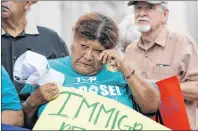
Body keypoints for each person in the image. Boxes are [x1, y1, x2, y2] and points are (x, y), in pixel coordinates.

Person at [19, 12, 160, 128]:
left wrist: (124, 67)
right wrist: (34, 100)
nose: (87, 57)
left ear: (109, 51)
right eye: (83, 46)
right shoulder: (46, 69)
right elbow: (17, 121)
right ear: (73, 42)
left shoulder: (122, 73)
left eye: (97, 51)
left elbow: (152, 106)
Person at [125, 1, 198, 130]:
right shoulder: (130, 50)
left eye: (149, 8)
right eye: (138, 8)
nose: (141, 13)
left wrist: (159, 87)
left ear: (165, 15)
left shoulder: (182, 43)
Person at [1, 0, 69, 92]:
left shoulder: (51, 38)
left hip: (41, 104)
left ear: (27, 3)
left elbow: (67, 77)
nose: (2, 2)